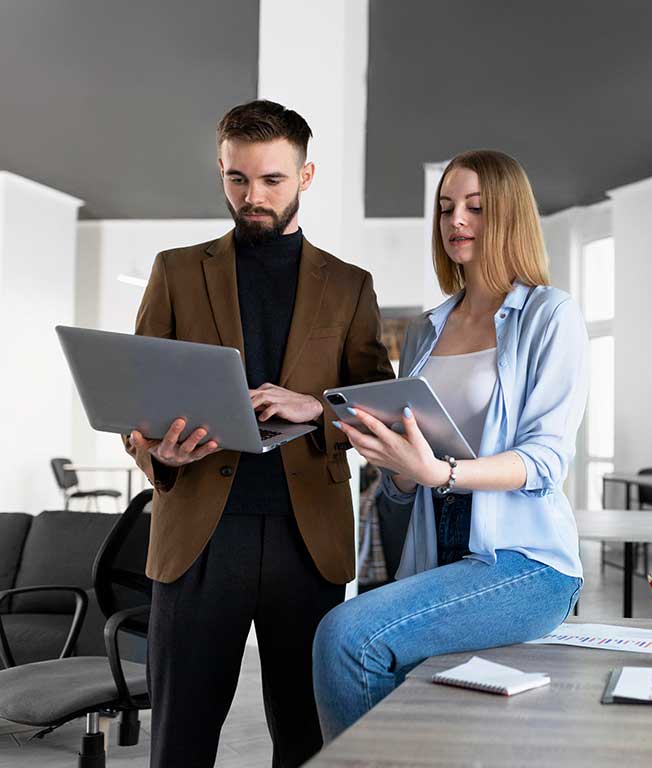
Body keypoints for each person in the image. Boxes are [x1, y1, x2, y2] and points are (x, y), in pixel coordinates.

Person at [123, 99, 393, 767]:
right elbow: (137, 399)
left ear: (304, 177)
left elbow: (380, 410)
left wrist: (316, 409)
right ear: (221, 169)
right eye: (237, 179)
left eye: (272, 180)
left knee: (306, 739)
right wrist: (154, 448)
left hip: (309, 542)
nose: (252, 197)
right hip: (198, 535)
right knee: (179, 739)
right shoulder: (177, 271)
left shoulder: (351, 286)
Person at [312, 149, 587, 740]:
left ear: (510, 216)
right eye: (445, 208)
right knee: (380, 664)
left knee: (345, 637)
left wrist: (440, 473)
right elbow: (405, 480)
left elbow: (545, 460)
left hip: (525, 563)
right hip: (440, 556)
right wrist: (398, 464)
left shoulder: (550, 315)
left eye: (477, 208)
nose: (456, 220)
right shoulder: (424, 330)